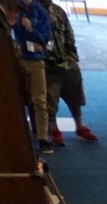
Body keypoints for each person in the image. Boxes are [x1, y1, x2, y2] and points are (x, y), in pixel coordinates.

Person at [38, 0, 98, 146]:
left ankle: (80, 127)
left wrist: (71, 56)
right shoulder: (33, 11)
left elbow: (68, 33)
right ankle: (54, 130)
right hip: (47, 64)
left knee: (75, 95)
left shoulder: (58, 11)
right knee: (50, 98)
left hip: (66, 61)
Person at [10, 0, 52, 153]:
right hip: (16, 59)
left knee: (40, 100)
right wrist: (29, 44)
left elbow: (45, 40)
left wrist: (29, 29)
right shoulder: (13, 8)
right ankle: (18, 137)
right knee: (15, 100)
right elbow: (16, 40)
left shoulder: (40, 12)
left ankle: (42, 138)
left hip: (36, 61)